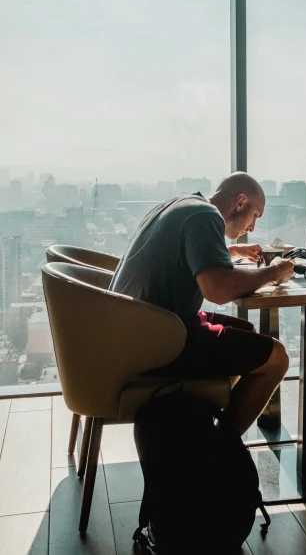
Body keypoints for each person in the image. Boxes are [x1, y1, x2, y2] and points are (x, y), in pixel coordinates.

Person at [110, 172, 294, 435]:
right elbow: (217, 290)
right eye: (256, 215)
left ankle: (203, 425)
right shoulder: (206, 217)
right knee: (276, 358)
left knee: (247, 335)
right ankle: (219, 450)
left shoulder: (182, 204)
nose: (252, 227)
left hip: (132, 328)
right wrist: (273, 272)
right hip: (155, 342)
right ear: (240, 201)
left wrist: (230, 251)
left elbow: (182, 255)